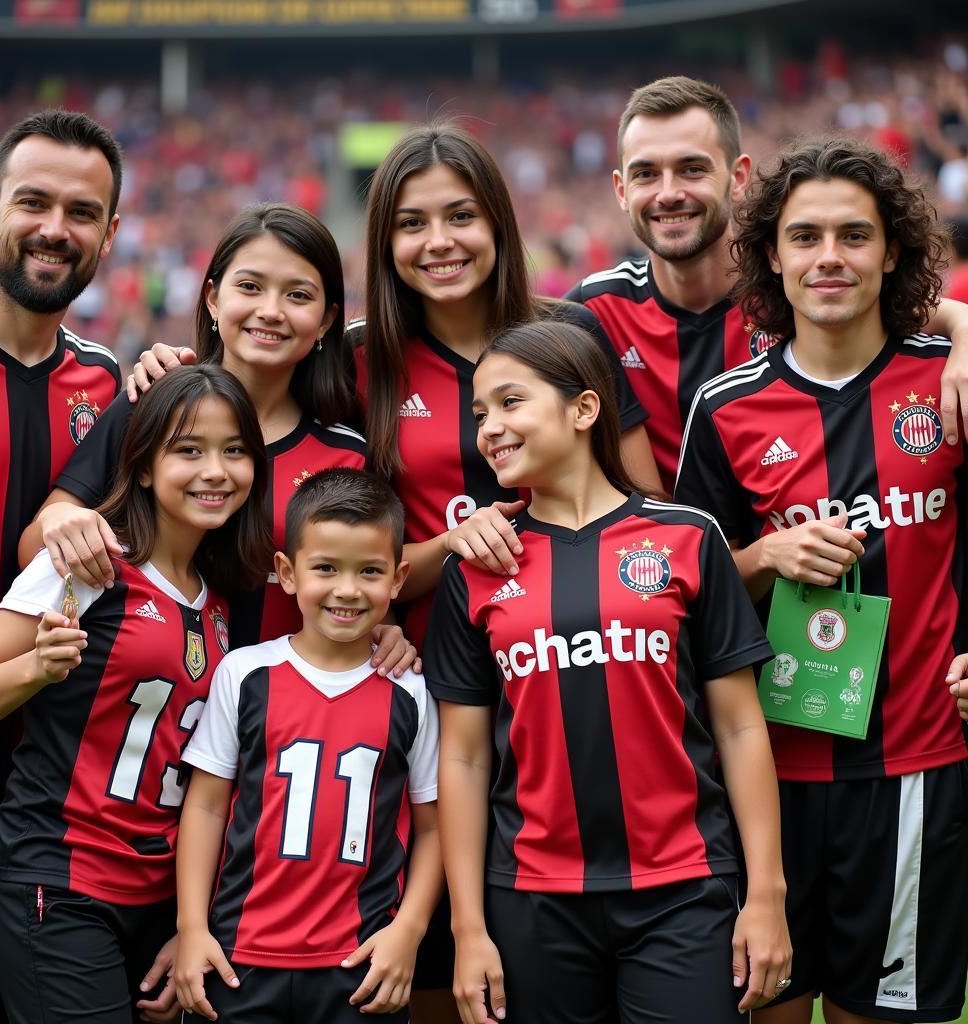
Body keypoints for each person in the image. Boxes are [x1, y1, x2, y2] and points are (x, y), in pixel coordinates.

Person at [355, 121, 661, 1015]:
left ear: (499, 222)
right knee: (435, 971)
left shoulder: (569, 331)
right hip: (418, 707)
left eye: (461, 215)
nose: (439, 242)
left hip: (576, 700)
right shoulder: (356, 358)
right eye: (412, 223)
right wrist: (452, 547)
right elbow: (353, 563)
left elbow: (646, 512)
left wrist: (953, 314)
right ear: (386, 243)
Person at [676, 137, 968, 1024]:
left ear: (892, 251)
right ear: (771, 254)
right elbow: (678, 590)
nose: (829, 258)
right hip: (765, 774)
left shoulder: (948, 383)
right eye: (805, 237)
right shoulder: (727, 408)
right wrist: (764, 558)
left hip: (913, 768)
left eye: (854, 235)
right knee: (761, 1003)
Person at [425, 320, 790, 1024]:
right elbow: (465, 759)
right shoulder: (474, 570)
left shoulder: (687, 537)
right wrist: (469, 930)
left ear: (585, 409)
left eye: (510, 403)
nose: (489, 428)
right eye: (479, 414)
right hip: (531, 898)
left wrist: (767, 895)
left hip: (685, 889)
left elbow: (742, 728)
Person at [0, 365, 273, 1024]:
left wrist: (189, 920)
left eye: (234, 451)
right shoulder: (89, 564)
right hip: (60, 884)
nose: (215, 470)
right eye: (189, 450)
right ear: (144, 466)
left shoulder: (222, 597)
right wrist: (34, 668)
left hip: (158, 901)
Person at [21, 202, 415, 672]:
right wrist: (63, 524)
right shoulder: (150, 402)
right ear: (212, 298)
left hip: (279, 729)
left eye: (298, 295)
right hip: (149, 723)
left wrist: (388, 632)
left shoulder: (348, 453)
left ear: (328, 320)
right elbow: (35, 549)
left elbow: (368, 589)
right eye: (249, 287)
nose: (270, 311)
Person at [566, 75, 968, 492]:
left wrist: (963, 326)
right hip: (665, 552)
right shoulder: (591, 310)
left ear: (738, 177)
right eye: (646, 173)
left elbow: (900, 305)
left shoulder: (799, 285)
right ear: (620, 189)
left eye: (692, 169)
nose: (668, 193)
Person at [0, 109, 123, 1023]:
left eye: (82, 212)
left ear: (110, 233)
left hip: (41, 788)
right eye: (33, 202)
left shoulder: (111, 387)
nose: (56, 228)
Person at [174, 468, 441, 1023]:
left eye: (369, 571)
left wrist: (408, 931)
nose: (347, 589)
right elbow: (205, 805)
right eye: (326, 569)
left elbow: (434, 825)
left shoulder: (413, 693)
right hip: (237, 959)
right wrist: (192, 927)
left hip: (362, 963)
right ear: (288, 574)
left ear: (398, 579)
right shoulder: (245, 674)